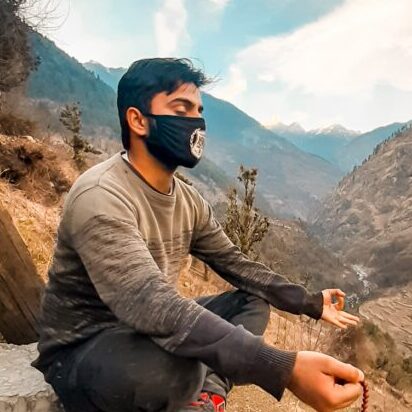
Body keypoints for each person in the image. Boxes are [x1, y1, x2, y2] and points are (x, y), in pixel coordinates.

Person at [32, 58, 364, 412]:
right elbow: (149, 302)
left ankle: (210, 396)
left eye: (198, 111)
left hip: (144, 330)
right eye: (181, 110)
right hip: (83, 348)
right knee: (182, 370)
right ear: (138, 120)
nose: (195, 123)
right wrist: (283, 369)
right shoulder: (101, 195)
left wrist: (309, 303)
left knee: (251, 302)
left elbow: (237, 265)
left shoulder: (188, 200)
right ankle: (198, 385)